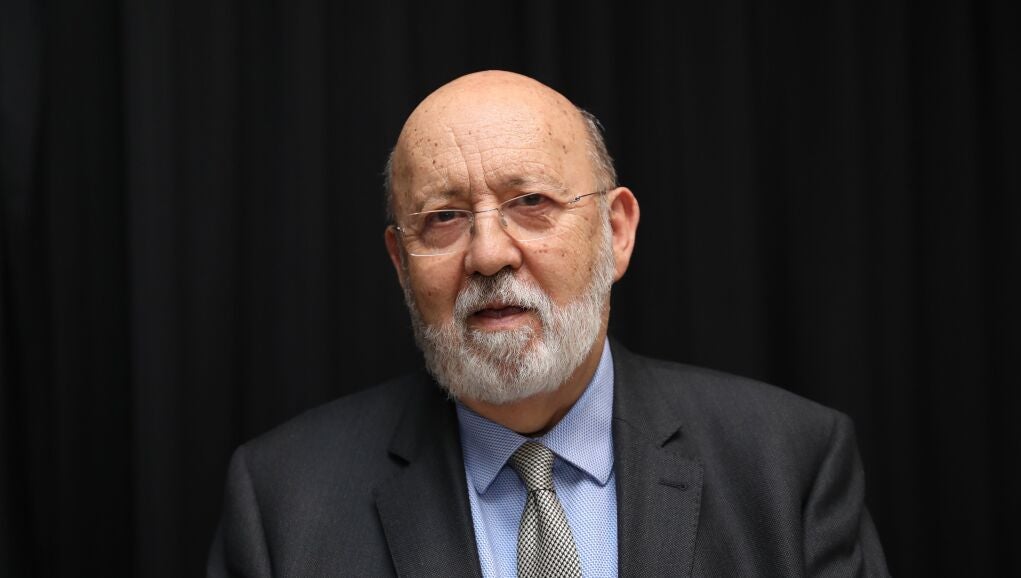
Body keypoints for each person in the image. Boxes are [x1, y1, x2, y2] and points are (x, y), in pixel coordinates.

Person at [208, 70, 888, 577]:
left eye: (530, 201)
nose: (488, 255)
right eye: (443, 218)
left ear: (616, 232)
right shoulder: (283, 504)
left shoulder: (787, 466)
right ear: (400, 263)